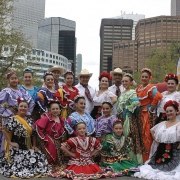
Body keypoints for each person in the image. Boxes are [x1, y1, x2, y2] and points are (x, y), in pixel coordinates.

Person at [0, 99, 48, 178]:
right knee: (20, 167)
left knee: (40, 159)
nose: (23, 108)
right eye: (21, 106)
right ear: (17, 108)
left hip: (28, 148)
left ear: (28, 109)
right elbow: (4, 130)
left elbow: (33, 134)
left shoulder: (30, 120)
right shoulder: (13, 119)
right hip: (18, 148)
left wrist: (34, 145)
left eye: (25, 107)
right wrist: (10, 142)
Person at [134, 100, 180, 180]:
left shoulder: (179, 124)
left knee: (169, 171)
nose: (169, 113)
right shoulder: (163, 123)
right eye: (167, 111)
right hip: (161, 150)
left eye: (171, 111)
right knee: (152, 167)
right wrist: (157, 142)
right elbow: (152, 130)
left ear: (176, 111)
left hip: (174, 151)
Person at [0, 71, 35, 156]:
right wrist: (3, 112)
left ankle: (19, 154)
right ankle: (5, 155)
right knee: (7, 135)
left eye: (15, 78)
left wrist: (28, 112)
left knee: (20, 135)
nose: (14, 80)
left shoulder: (22, 91)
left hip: (21, 115)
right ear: (8, 80)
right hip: (9, 116)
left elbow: (31, 102)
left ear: (18, 80)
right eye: (12, 79)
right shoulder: (6, 91)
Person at [136, 68, 162, 162]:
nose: (144, 78)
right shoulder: (138, 88)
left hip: (147, 114)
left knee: (146, 135)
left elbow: (158, 96)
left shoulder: (151, 87)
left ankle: (148, 158)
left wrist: (151, 108)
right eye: (142, 76)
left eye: (146, 77)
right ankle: (141, 159)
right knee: (140, 135)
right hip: (139, 114)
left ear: (149, 78)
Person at [34, 100, 66, 177]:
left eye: (57, 109)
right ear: (49, 110)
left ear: (59, 110)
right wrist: (44, 138)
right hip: (48, 139)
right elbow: (38, 127)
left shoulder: (61, 119)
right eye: (53, 109)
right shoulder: (46, 118)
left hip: (57, 140)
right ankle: (49, 165)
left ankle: (56, 165)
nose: (55, 110)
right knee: (52, 151)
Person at [116, 73, 142, 164]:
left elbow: (137, 103)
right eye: (123, 81)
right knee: (122, 137)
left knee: (128, 136)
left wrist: (128, 109)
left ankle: (131, 159)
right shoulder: (122, 93)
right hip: (121, 118)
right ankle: (123, 157)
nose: (124, 83)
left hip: (128, 118)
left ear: (131, 82)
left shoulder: (132, 92)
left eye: (126, 81)